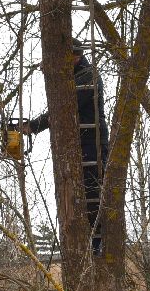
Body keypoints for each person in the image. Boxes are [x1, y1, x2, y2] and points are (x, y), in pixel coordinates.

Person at [18, 38, 110, 255]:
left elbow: (65, 108)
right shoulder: (74, 75)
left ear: (75, 57)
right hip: (80, 141)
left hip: (92, 142)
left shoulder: (88, 76)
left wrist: (34, 126)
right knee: (78, 191)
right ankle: (89, 241)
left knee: (92, 188)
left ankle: (98, 244)